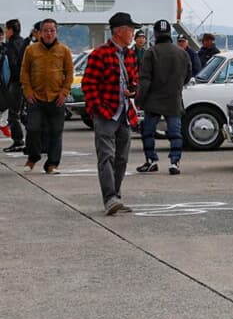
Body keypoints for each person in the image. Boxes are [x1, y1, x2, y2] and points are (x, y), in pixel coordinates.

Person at [83, 12, 140, 215]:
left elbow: (134, 79)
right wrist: (98, 108)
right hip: (106, 113)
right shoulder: (100, 54)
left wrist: (132, 88)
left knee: (122, 158)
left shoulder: (130, 54)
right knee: (106, 156)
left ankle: (115, 195)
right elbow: (88, 84)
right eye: (130, 29)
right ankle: (109, 198)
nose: (133, 33)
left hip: (124, 112)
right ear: (119, 31)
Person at [136, 19, 191, 175]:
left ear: (156, 34)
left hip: (153, 100)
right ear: (169, 33)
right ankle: (175, 162)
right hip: (173, 98)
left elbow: (144, 79)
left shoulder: (151, 52)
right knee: (175, 133)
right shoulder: (182, 53)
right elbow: (188, 76)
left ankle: (151, 160)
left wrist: (139, 99)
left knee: (148, 132)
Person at [19, 18, 74, 175]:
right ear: (40, 33)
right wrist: (27, 91)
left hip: (57, 98)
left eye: (52, 30)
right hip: (35, 98)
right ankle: (33, 156)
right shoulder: (31, 50)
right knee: (33, 129)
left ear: (56, 32)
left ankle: (52, 164)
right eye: (46, 30)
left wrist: (64, 92)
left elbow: (69, 73)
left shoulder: (64, 51)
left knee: (56, 132)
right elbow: (25, 72)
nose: (49, 33)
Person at [2, 19, 28, 153]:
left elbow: (11, 65)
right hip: (25, 83)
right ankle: (36, 138)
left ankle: (18, 141)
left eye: (6, 29)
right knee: (23, 113)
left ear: (11, 30)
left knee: (13, 114)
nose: (5, 32)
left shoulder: (10, 45)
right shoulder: (23, 43)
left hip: (16, 83)